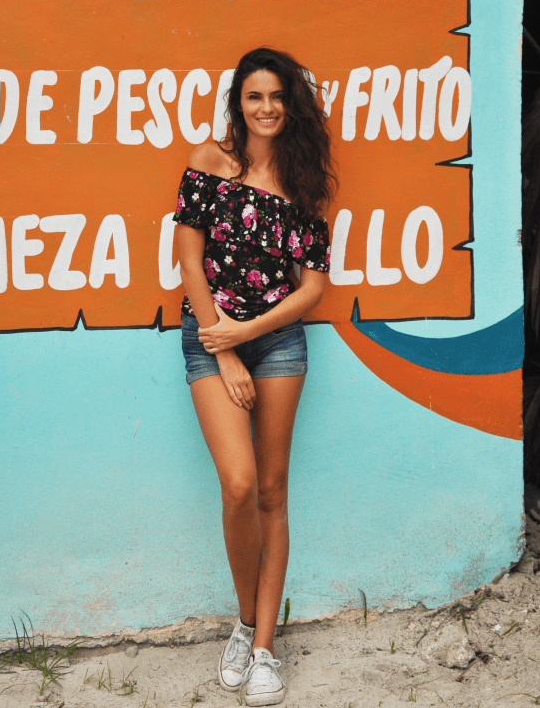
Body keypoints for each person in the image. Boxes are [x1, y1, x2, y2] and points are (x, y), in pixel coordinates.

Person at [173, 47, 335, 707]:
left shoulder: (304, 180)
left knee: (272, 489)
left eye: (276, 96)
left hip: (279, 343)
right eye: (254, 96)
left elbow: (312, 287)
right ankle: (244, 623)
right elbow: (189, 260)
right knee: (239, 483)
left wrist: (249, 335)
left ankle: (264, 647)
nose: (266, 107)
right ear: (237, 103)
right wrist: (226, 349)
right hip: (212, 339)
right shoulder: (208, 162)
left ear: (290, 104)